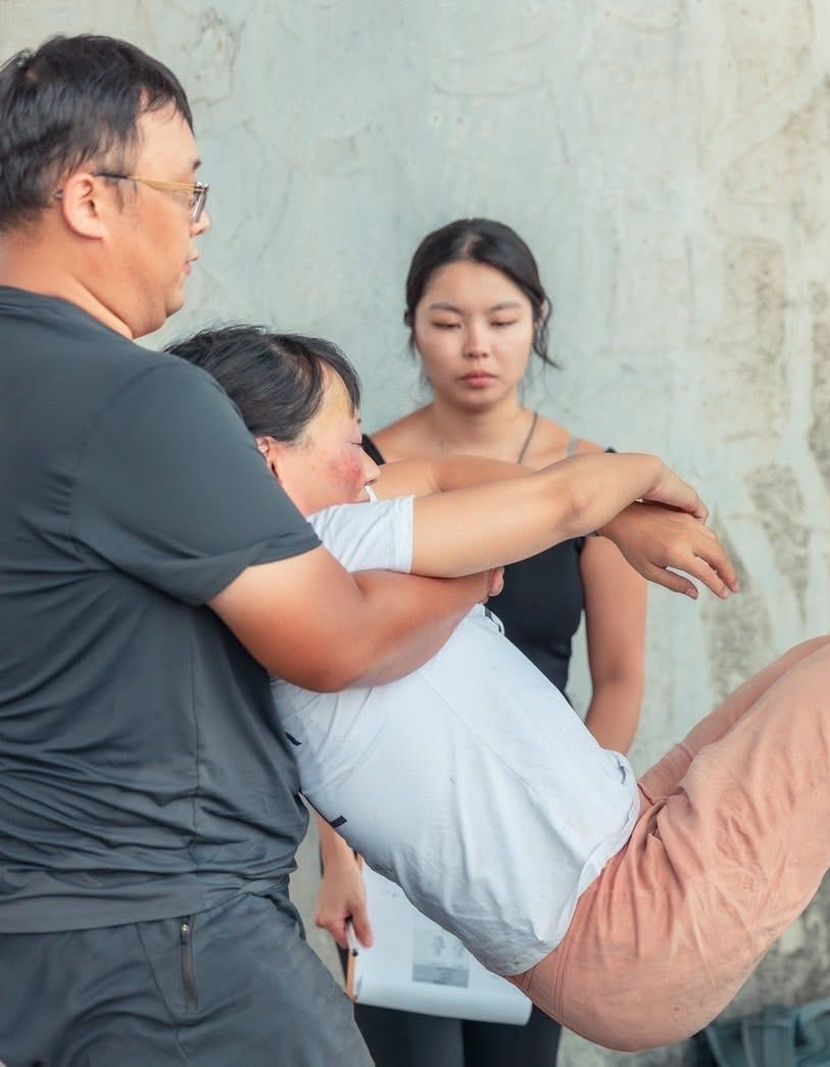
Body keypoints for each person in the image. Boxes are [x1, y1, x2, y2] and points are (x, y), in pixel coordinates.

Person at [170, 324, 830, 1056]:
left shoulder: (285, 582)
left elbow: (439, 474)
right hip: (620, 918)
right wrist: (636, 481)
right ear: (267, 463)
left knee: (825, 665)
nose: (370, 465)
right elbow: (557, 502)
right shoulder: (329, 546)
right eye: (347, 442)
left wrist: (602, 524)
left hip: (623, 845)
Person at [0, 36, 491, 1066]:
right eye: (186, 189)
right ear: (89, 199)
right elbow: (336, 640)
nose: (202, 221)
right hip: (172, 953)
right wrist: (474, 576)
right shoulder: (138, 397)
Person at [316, 217, 647, 1065]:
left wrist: (574, 830)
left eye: (502, 320)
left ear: (538, 320)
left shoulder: (589, 479)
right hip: (393, 834)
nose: (476, 345)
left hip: (534, 849)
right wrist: (339, 856)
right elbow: (323, 664)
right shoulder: (361, 472)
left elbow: (618, 676)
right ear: (411, 326)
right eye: (446, 321)